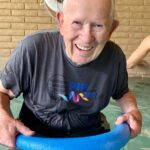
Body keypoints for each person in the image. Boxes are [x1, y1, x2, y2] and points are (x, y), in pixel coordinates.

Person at [0, 0, 142, 148]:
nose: (87, 38)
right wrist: (2, 117)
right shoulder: (33, 49)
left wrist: (132, 111)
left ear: (111, 29)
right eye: (77, 23)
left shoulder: (114, 57)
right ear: (61, 22)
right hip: (34, 136)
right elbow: (2, 91)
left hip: (90, 137)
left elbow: (122, 92)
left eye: (98, 25)